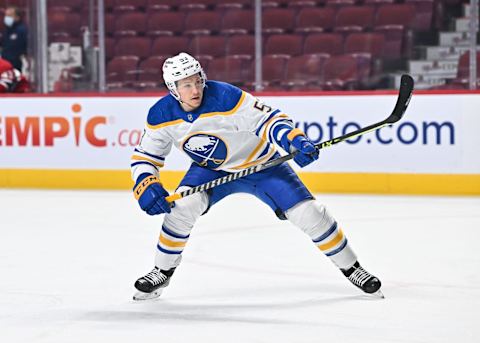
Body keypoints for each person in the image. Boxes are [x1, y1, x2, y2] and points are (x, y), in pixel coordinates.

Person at [131, 52, 382, 301]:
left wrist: (294, 140)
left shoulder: (226, 97)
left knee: (310, 212)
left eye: (198, 80)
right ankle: (161, 271)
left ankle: (353, 268)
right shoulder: (160, 115)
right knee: (180, 210)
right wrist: (146, 184)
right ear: (173, 89)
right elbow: (145, 157)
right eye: (186, 85)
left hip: (262, 164)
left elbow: (267, 119)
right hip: (210, 170)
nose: (195, 89)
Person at [1, 6, 28, 72]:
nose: (7, 18)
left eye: (10, 16)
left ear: (17, 17)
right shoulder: (7, 30)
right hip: (5, 64)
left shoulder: (21, 30)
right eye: (6, 15)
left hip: (16, 65)